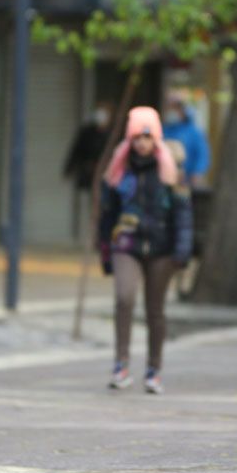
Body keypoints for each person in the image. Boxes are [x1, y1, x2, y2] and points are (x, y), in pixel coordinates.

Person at [99, 106, 193, 395]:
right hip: (126, 242)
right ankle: (121, 364)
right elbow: (107, 214)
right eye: (137, 136)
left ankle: (154, 369)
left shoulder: (170, 170)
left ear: (156, 139)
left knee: (155, 310)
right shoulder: (118, 169)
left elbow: (183, 214)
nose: (142, 142)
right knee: (124, 297)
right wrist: (105, 249)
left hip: (162, 247)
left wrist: (182, 250)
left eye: (147, 136)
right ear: (130, 138)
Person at [63, 102, 113, 239]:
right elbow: (76, 151)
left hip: (106, 177)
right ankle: (86, 235)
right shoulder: (87, 132)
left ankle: (99, 236)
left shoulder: (111, 134)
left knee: (104, 207)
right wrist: (69, 169)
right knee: (90, 206)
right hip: (88, 176)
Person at [162, 95, 211, 188]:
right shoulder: (164, 130)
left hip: (187, 181)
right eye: (170, 108)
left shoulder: (195, 132)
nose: (172, 111)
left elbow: (203, 155)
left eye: (175, 108)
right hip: (165, 179)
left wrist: (197, 173)